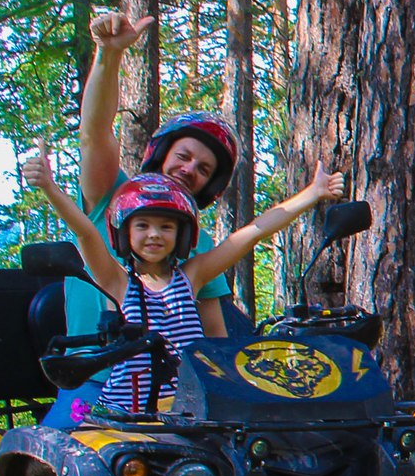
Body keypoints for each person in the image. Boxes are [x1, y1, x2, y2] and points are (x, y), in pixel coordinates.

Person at [23, 151, 346, 418]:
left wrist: (312, 194)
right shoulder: (117, 282)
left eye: (166, 226)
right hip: (130, 413)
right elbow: (86, 233)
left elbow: (252, 233)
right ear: (124, 233)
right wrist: (50, 188)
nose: (154, 234)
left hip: (190, 409)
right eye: (143, 225)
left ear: (182, 235)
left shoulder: (191, 276)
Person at [63, 10, 243, 336]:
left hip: (166, 386)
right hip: (89, 379)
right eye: (183, 156)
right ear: (161, 154)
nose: (189, 169)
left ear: (211, 184)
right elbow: (94, 134)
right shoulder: (111, 194)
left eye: (203, 168)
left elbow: (214, 335)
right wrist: (109, 54)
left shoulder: (199, 243)